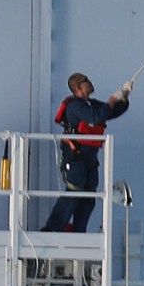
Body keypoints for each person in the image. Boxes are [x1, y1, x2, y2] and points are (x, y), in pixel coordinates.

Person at [44, 72, 131, 232]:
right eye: (86, 81)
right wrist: (113, 98)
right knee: (73, 194)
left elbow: (109, 112)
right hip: (75, 159)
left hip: (90, 161)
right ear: (78, 87)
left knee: (89, 198)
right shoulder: (75, 106)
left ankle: (78, 233)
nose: (90, 82)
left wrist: (123, 97)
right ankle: (50, 231)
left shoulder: (89, 103)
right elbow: (96, 117)